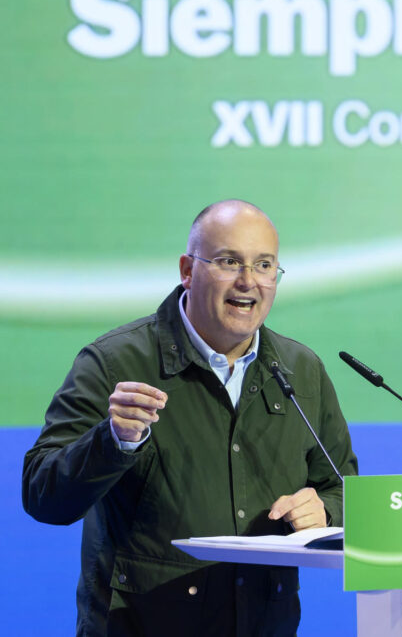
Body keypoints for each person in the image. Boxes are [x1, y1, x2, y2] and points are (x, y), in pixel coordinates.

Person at [22, 200, 358, 636]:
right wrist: (114, 440)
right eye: (229, 261)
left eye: (264, 265)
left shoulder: (302, 370)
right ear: (187, 270)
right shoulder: (113, 362)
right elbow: (43, 495)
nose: (248, 281)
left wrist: (326, 512)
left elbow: (342, 487)